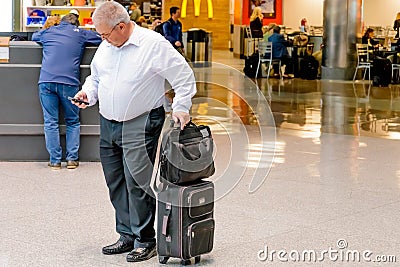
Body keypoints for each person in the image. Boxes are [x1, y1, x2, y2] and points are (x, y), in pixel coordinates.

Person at [71, 1, 196, 263]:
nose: (101, 39)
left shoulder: (153, 44)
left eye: (104, 34)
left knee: (136, 182)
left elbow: (183, 76)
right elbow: (95, 78)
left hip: (141, 121)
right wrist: (88, 93)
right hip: (109, 122)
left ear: (121, 26)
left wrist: (181, 106)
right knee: (115, 180)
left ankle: (145, 239)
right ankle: (126, 234)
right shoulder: (107, 46)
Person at [32, 14, 102, 170]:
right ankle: (72, 159)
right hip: (69, 82)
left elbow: (34, 36)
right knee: (72, 120)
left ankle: (55, 161)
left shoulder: (48, 32)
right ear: (76, 24)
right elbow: (100, 38)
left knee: (50, 121)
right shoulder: (81, 33)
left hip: (46, 81)